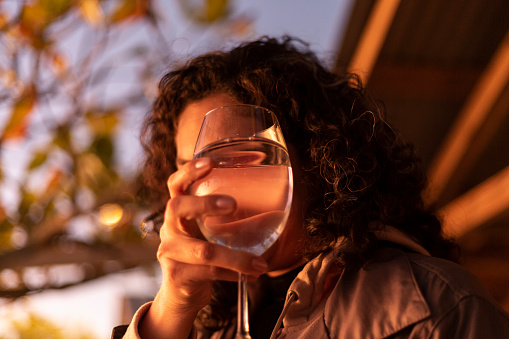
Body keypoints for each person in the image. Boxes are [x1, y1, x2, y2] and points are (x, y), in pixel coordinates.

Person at [112, 36, 509, 339]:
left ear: (316, 157)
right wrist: (168, 314)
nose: (211, 185)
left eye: (240, 157)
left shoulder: (435, 307)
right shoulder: (203, 325)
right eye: (193, 166)